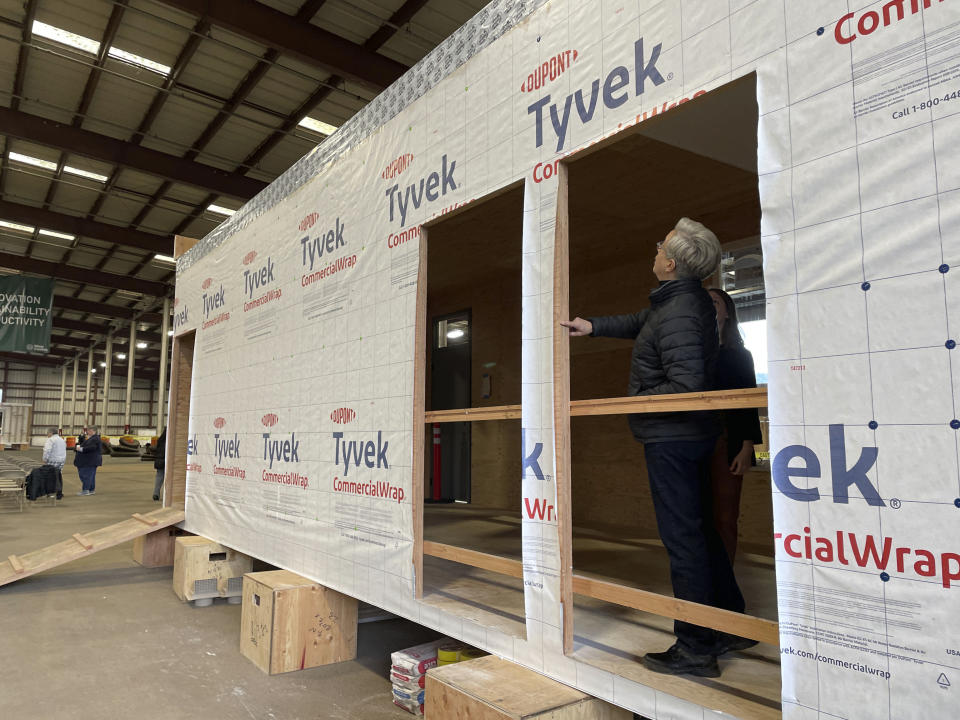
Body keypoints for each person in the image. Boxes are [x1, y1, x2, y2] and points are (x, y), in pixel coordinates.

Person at [561, 218, 750, 678]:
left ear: (670, 262)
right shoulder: (679, 303)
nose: (655, 246)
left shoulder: (682, 309)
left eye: (661, 244)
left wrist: (630, 402)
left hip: (674, 439)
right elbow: (639, 322)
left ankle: (696, 647)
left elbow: (686, 384)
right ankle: (726, 626)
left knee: (684, 542)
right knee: (701, 535)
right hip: (684, 438)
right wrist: (592, 326)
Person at [708, 288, 763, 561]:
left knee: (726, 513)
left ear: (727, 312)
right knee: (698, 511)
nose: (708, 305)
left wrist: (747, 448)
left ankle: (725, 575)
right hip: (693, 439)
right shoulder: (691, 353)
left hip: (728, 440)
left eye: (714, 301)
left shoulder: (741, 355)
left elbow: (748, 404)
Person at [74, 426, 103, 496]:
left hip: (89, 461)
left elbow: (91, 447)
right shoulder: (92, 438)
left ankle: (86, 490)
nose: (87, 432)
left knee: (86, 475)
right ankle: (91, 490)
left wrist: (80, 449)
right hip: (90, 461)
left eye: (88, 430)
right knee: (91, 476)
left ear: (93, 431)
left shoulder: (95, 438)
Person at [153, 427, 166, 501]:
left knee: (159, 477)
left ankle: (156, 493)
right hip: (165, 461)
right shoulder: (169, 442)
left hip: (159, 461)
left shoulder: (160, 441)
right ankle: (167, 494)